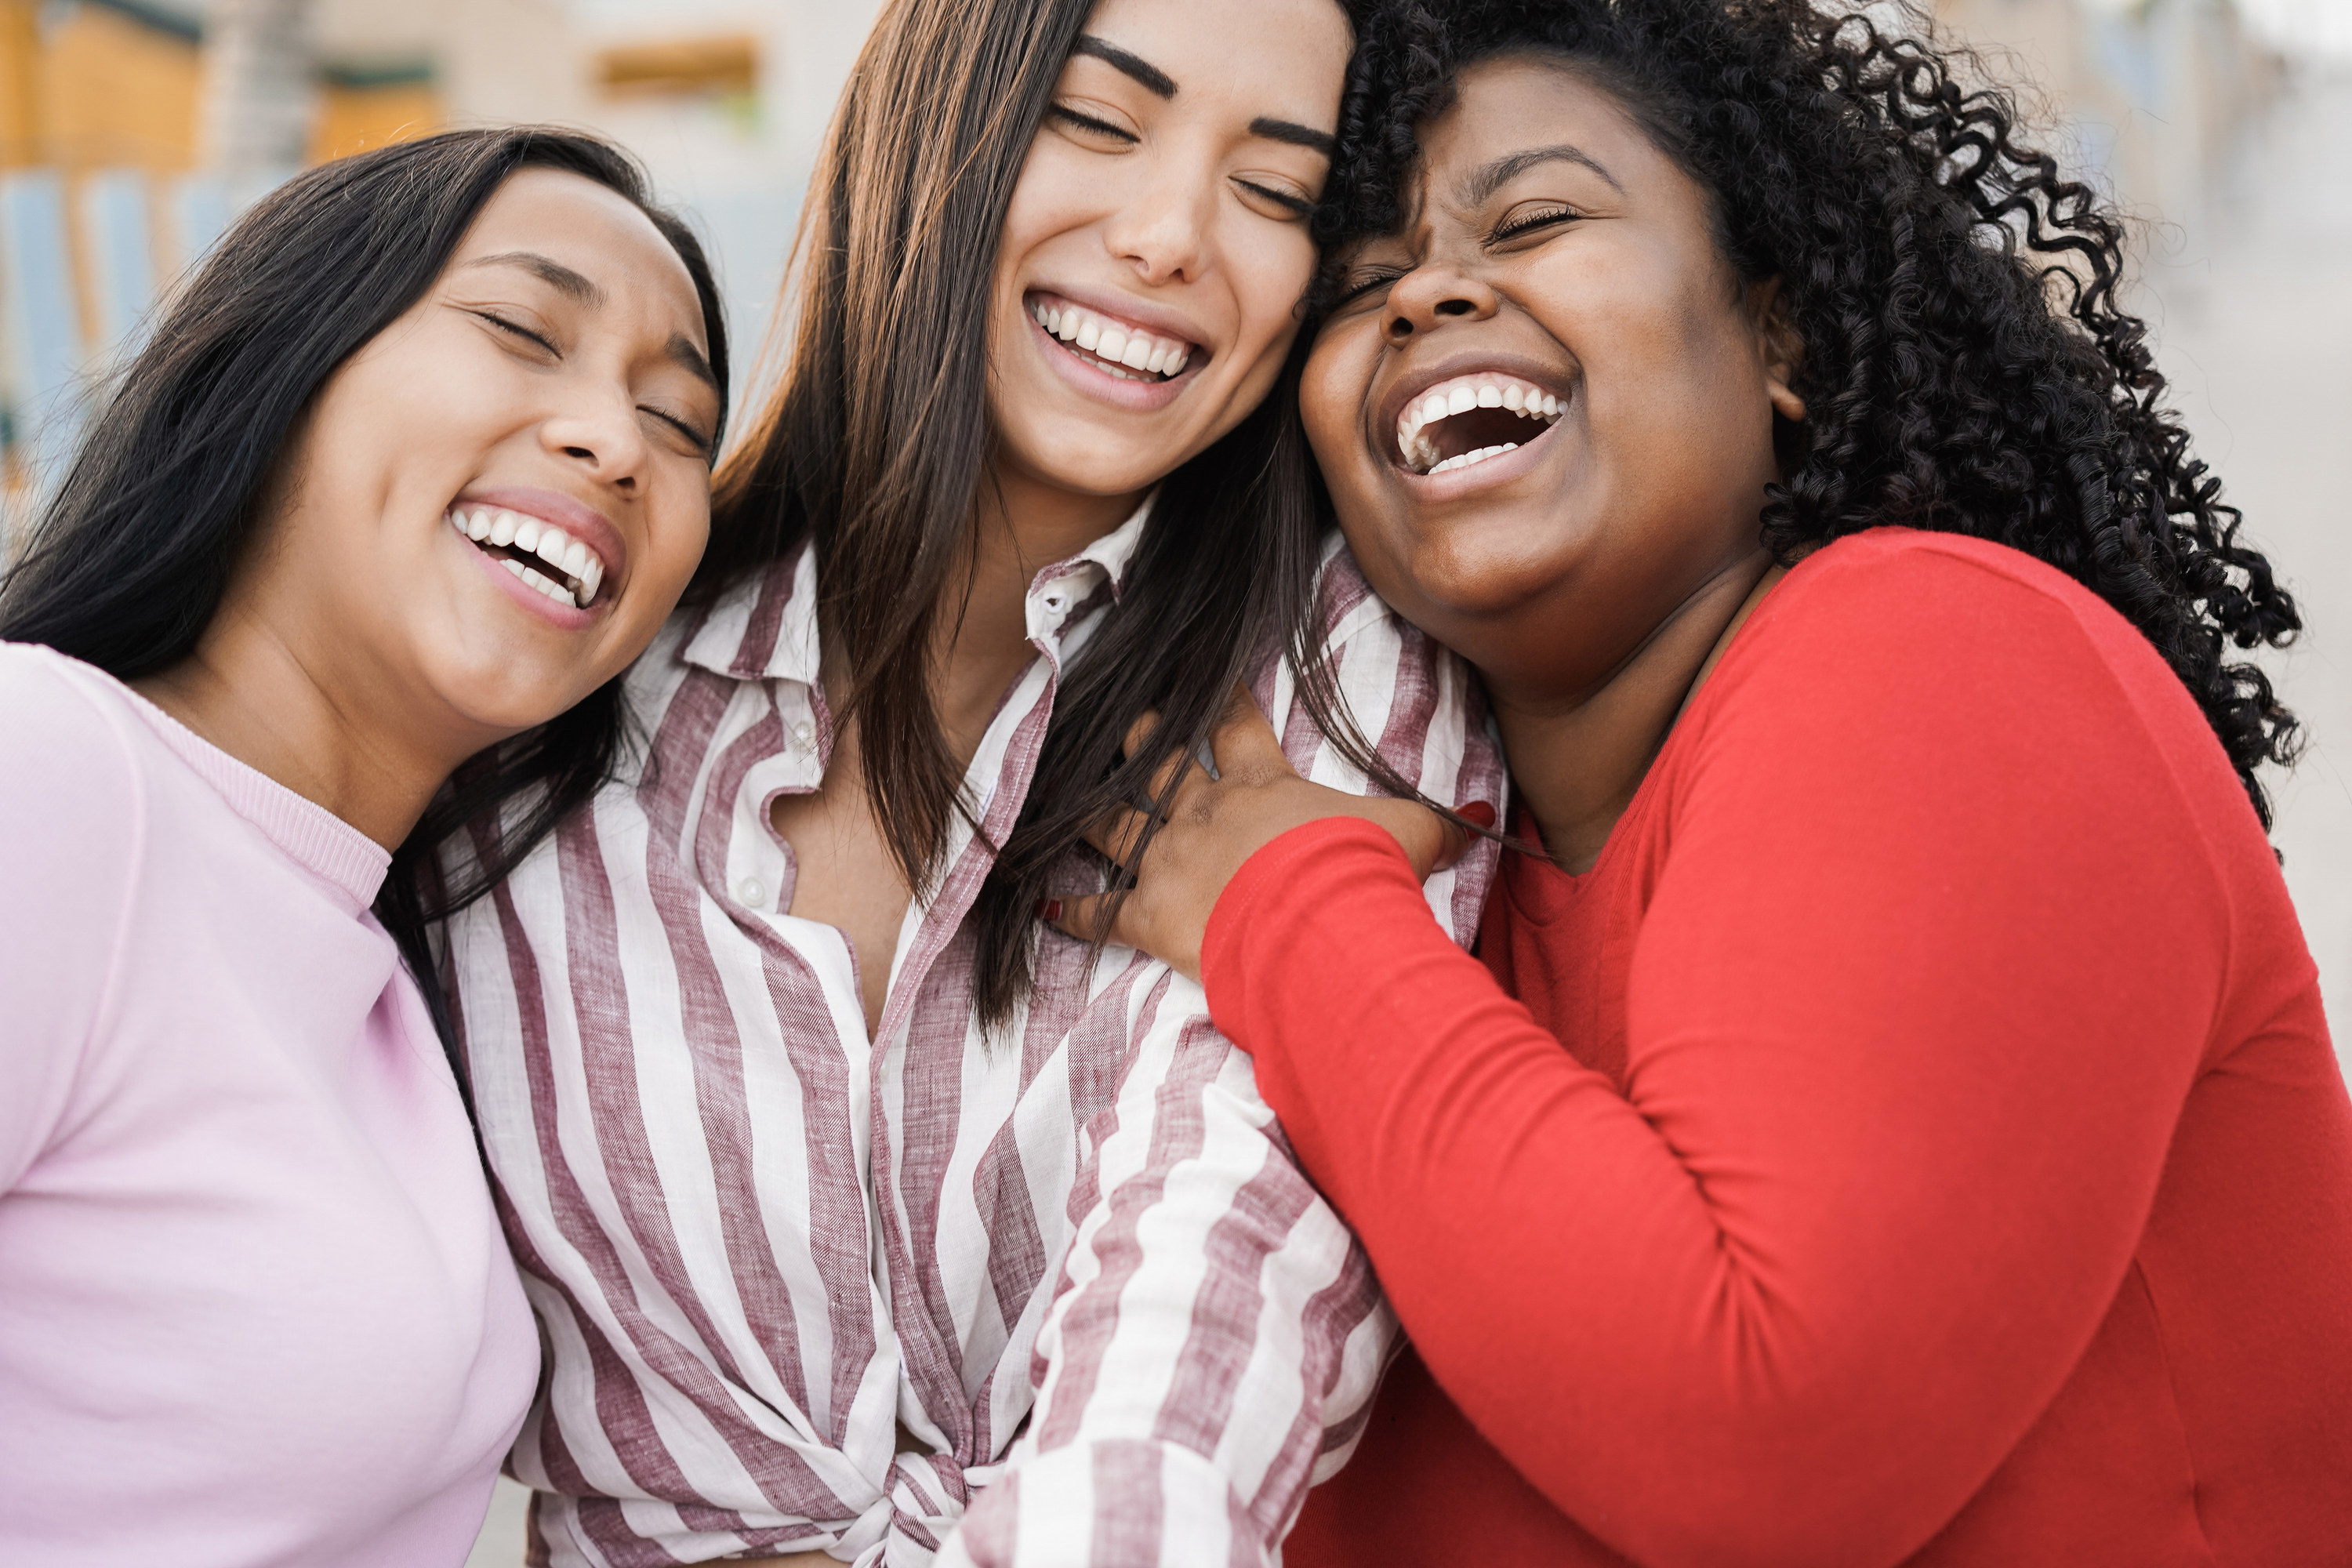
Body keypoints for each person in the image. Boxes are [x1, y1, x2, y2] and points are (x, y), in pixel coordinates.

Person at [1058, 2, 2352, 1563]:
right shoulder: (1438, 874)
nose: (1433, 295)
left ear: (1781, 336)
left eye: (1535, 219)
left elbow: (1764, 1438)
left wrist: (1285, 906)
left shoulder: (1944, 656)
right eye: (1359, 287)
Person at [437, 1, 1501, 1564]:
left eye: (1273, 193)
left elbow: (1205, 1339)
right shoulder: (578, 678)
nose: (1166, 237)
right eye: (1098, 118)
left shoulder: (1336, 695)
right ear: (937, 117)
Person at [0, 129, 728, 1566]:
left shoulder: (407, 963)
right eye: (524, 331)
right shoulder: (55, 772)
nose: (619, 442)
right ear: (280, 368)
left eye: (685, 424)